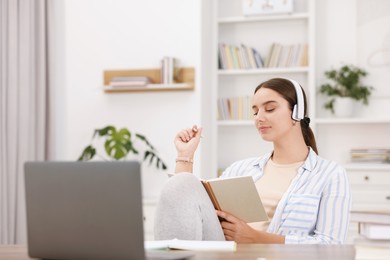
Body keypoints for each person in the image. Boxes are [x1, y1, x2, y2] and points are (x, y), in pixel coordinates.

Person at [154, 78, 351, 244]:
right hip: (226, 253)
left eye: (270, 109)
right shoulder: (240, 169)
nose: (259, 117)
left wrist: (255, 237)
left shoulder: (330, 175)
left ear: (297, 113)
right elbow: (185, 207)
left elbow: (331, 246)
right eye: (255, 111)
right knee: (180, 183)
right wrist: (185, 155)